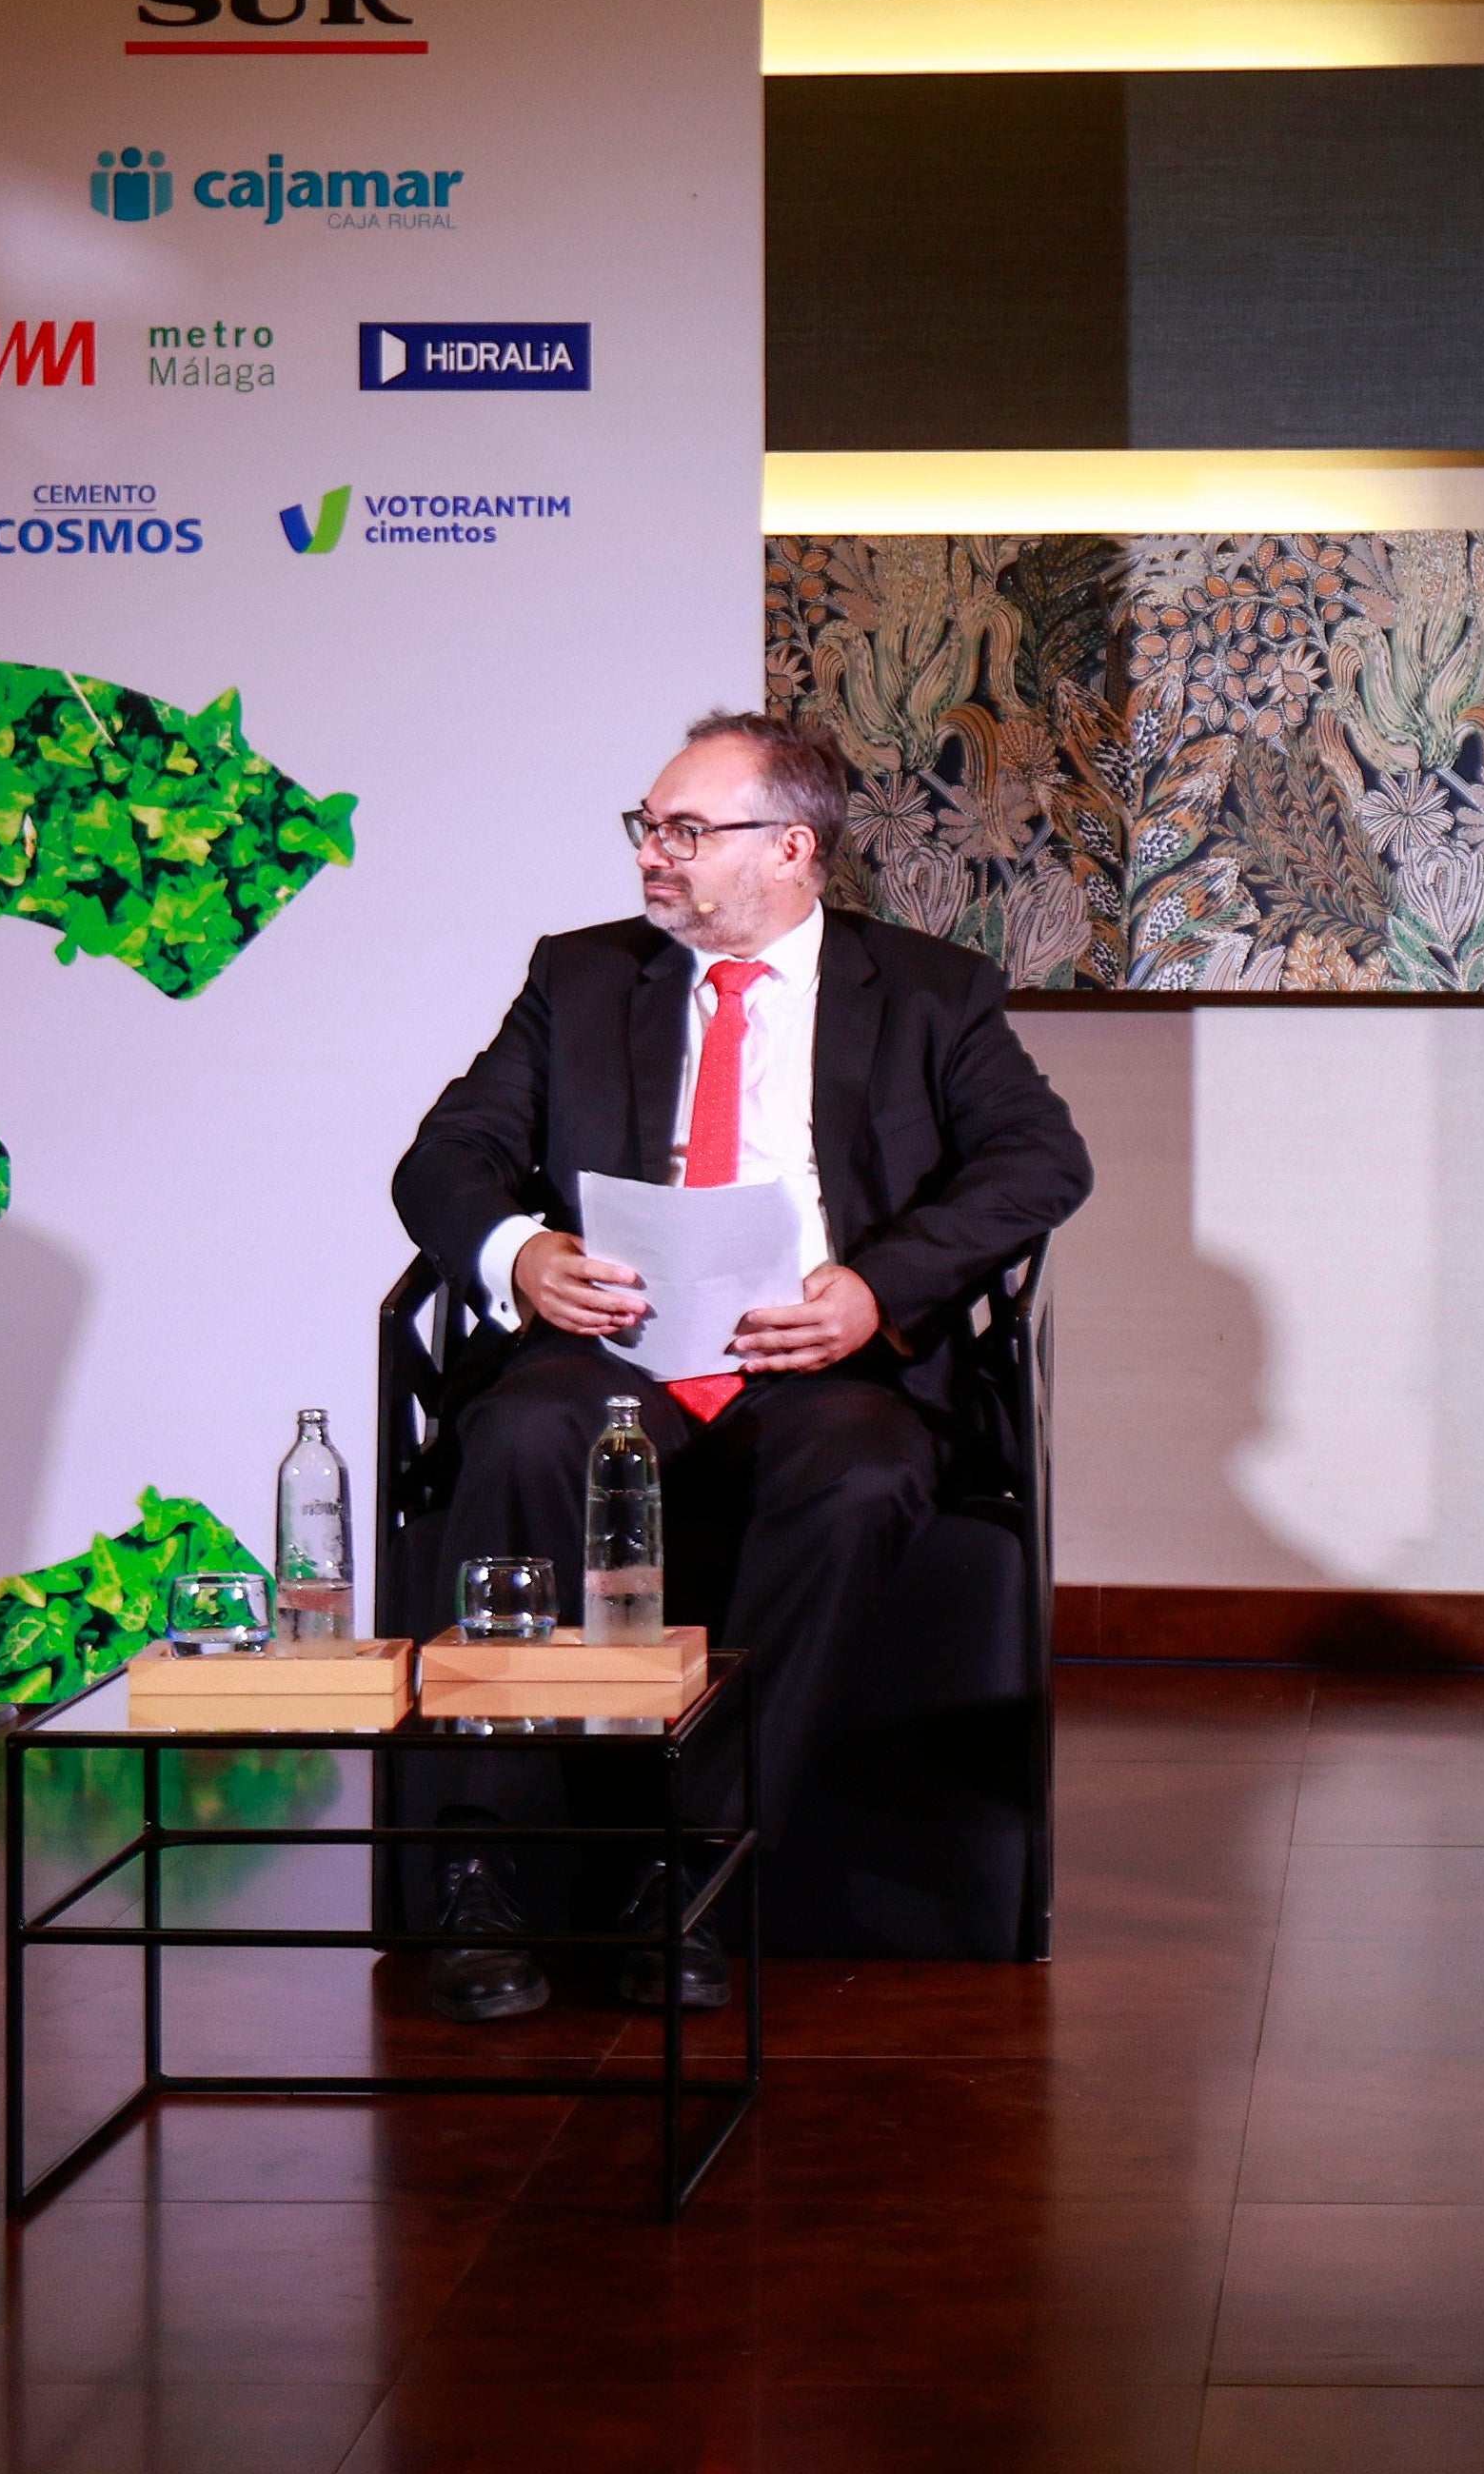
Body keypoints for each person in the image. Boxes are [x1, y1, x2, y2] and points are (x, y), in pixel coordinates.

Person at [387, 710, 1093, 2020]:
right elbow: (445, 1155)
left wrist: (878, 1288)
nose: (653, 856)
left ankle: (692, 1869)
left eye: (686, 832)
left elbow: (1042, 1162)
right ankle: (485, 1873)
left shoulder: (929, 992)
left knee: (866, 1477)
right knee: (524, 1436)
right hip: (619, 1345)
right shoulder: (583, 977)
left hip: (823, 1362)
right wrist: (520, 1252)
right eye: (646, 827)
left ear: (792, 849)